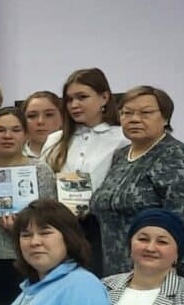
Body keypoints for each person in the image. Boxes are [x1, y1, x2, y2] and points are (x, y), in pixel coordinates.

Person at [90, 86, 184, 292]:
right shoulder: (121, 156)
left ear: (165, 118)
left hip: (165, 279)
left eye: (145, 113)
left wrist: (171, 285)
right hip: (119, 274)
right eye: (127, 113)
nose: (134, 119)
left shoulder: (175, 156)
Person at [0, 107, 57, 305]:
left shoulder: (40, 170)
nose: (8, 136)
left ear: (26, 135)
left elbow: (52, 219)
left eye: (16, 130)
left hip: (28, 259)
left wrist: (22, 228)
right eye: (0, 130)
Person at [43, 67, 124, 273]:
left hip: (102, 229)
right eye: (69, 99)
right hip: (60, 228)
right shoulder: (54, 140)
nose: (74, 105)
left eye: (82, 97)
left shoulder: (122, 138)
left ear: (104, 97)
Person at [22, 91, 65, 158]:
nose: (40, 121)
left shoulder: (74, 153)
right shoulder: (12, 155)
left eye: (49, 115)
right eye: (32, 116)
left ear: (63, 118)